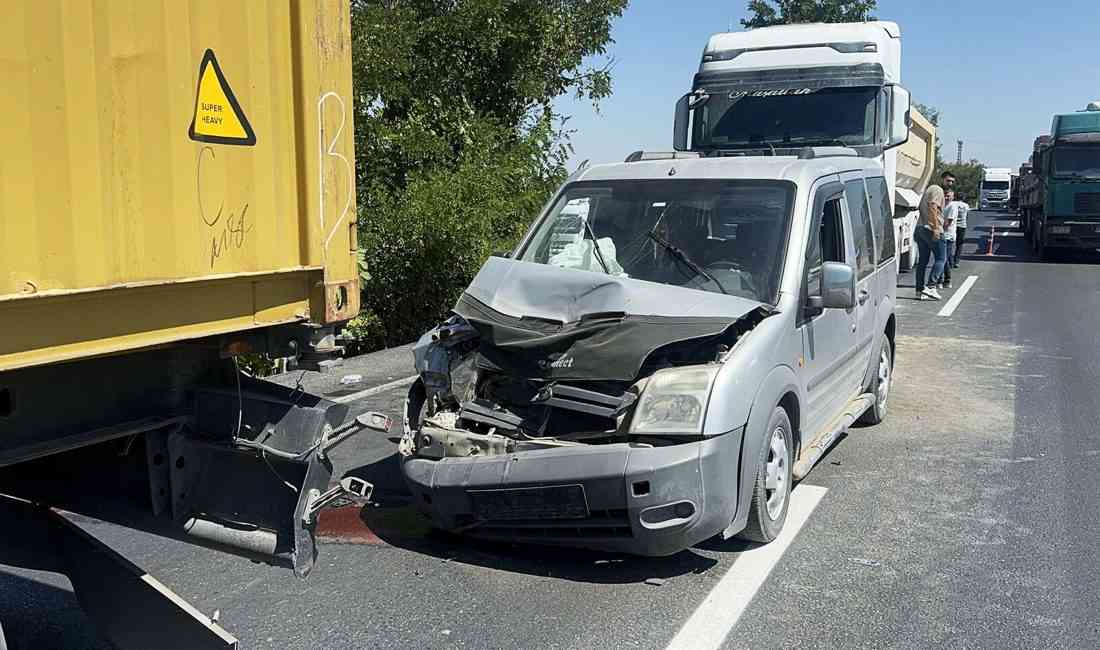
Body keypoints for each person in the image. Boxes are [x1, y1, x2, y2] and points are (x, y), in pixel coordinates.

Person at [914, 185, 945, 300]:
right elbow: (933, 206)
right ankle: (931, 286)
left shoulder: (927, 191)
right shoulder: (937, 190)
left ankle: (919, 290)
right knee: (941, 258)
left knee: (922, 261)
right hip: (930, 228)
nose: (950, 183)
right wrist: (936, 228)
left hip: (920, 228)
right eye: (948, 180)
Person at [941, 190, 957, 288]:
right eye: (945, 196)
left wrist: (939, 230)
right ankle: (941, 280)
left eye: (948, 196)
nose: (947, 197)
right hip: (942, 235)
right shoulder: (943, 205)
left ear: (952, 197)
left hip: (948, 236)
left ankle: (947, 280)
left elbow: (948, 222)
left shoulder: (952, 207)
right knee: (941, 258)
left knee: (944, 258)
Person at [950, 192, 970, 268]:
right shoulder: (966, 206)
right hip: (962, 226)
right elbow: (967, 216)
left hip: (952, 225)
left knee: (950, 243)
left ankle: (949, 261)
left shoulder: (952, 203)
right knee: (959, 244)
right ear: (963, 198)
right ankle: (956, 261)